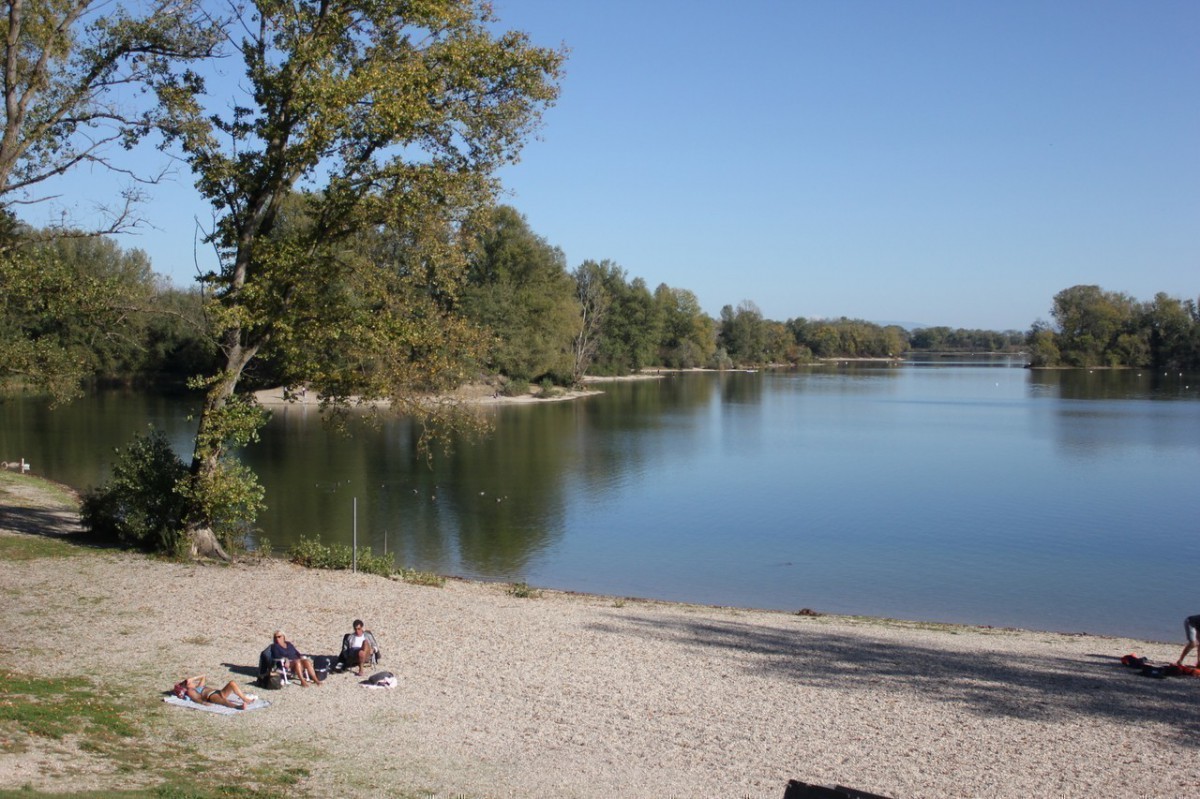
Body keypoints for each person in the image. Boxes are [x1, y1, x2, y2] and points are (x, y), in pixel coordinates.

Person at [172, 674, 254, 709]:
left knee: (232, 683)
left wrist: (193, 678)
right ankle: (238, 707)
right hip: (211, 696)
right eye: (187, 682)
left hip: (219, 692)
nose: (190, 682)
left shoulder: (199, 686)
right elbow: (196, 699)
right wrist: (203, 703)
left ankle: (245, 699)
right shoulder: (190, 691)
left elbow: (203, 676)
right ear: (185, 686)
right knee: (224, 701)